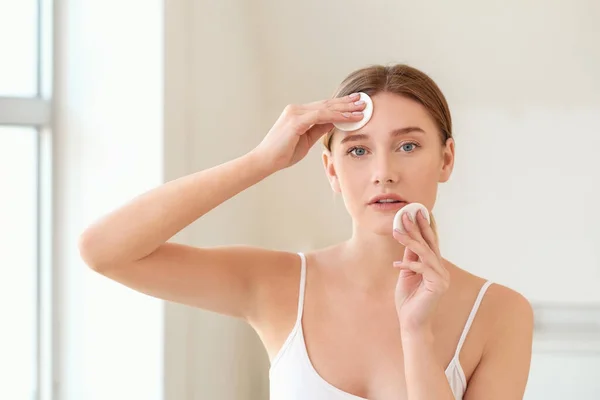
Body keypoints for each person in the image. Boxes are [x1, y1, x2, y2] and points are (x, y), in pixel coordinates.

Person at [78, 64, 534, 399]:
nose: (383, 172)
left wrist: (417, 335)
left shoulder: (500, 313)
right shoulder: (276, 285)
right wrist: (261, 161)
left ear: (446, 159)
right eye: (358, 151)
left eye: (408, 145)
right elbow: (104, 251)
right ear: (331, 170)